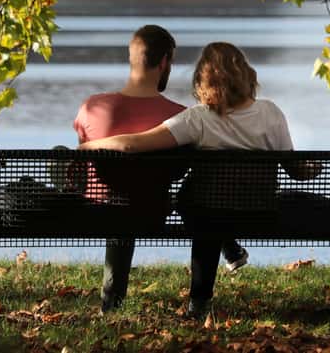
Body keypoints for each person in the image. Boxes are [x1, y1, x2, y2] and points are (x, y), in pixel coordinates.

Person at [79, 42, 303, 319]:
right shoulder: (271, 113)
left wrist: (89, 147)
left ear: (203, 79)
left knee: (195, 206)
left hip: (208, 217)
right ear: (247, 74)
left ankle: (199, 304)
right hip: (259, 213)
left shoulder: (198, 118)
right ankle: (229, 249)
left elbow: (133, 145)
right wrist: (313, 168)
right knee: (204, 208)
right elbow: (297, 169)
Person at [74, 27, 248, 315]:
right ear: (165, 62)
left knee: (115, 201)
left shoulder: (92, 107)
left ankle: (111, 302)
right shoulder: (181, 117)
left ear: (131, 58)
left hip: (97, 209)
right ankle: (226, 252)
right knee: (201, 178)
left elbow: (84, 159)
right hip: (153, 209)